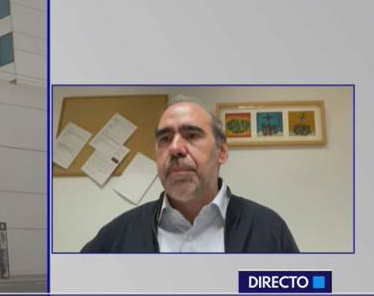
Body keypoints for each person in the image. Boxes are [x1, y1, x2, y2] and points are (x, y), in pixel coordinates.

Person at [81, 97, 299, 253]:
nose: (175, 148)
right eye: (164, 139)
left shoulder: (268, 229)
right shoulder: (117, 237)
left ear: (221, 152)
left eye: (192, 135)